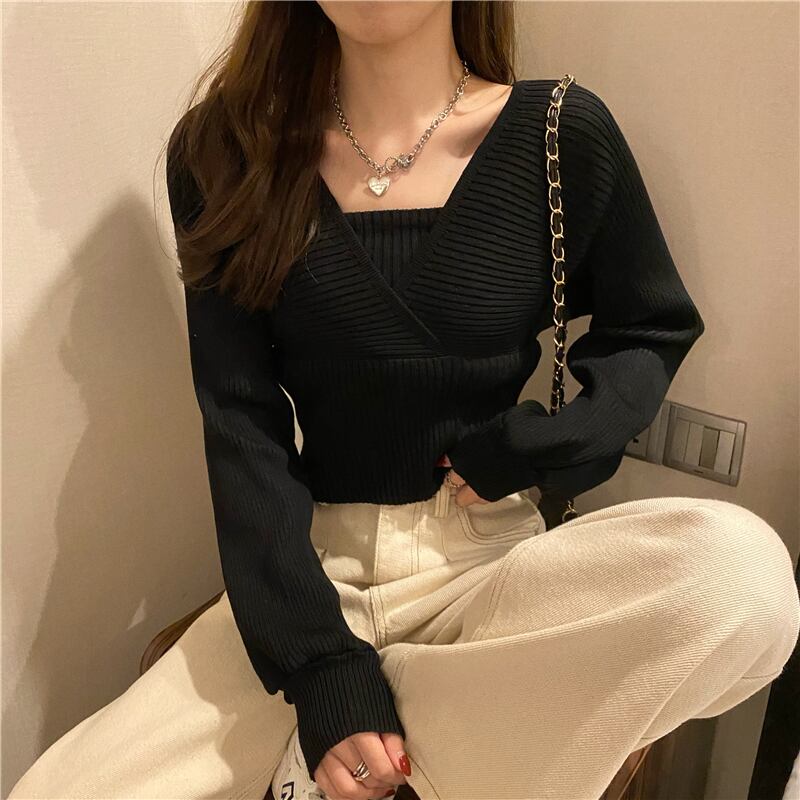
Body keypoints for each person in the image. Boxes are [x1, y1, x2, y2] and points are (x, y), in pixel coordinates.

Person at [10, 3, 800, 800]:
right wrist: (323, 668)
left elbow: (650, 326)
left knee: (744, 581)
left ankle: (367, 758)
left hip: (490, 574)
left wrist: (548, 445)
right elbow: (239, 422)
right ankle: (422, 759)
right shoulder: (225, 152)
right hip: (312, 575)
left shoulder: (559, 134)